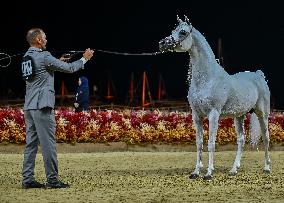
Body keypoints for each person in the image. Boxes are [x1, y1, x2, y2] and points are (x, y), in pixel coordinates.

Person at [21, 28, 94, 189]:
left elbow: (43, 70)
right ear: (38, 40)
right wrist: (84, 59)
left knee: (31, 145)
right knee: (48, 145)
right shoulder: (44, 56)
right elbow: (69, 69)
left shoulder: (26, 57)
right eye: (45, 37)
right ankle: (53, 180)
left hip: (29, 107)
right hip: (42, 106)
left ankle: (27, 179)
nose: (46, 40)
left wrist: (60, 60)